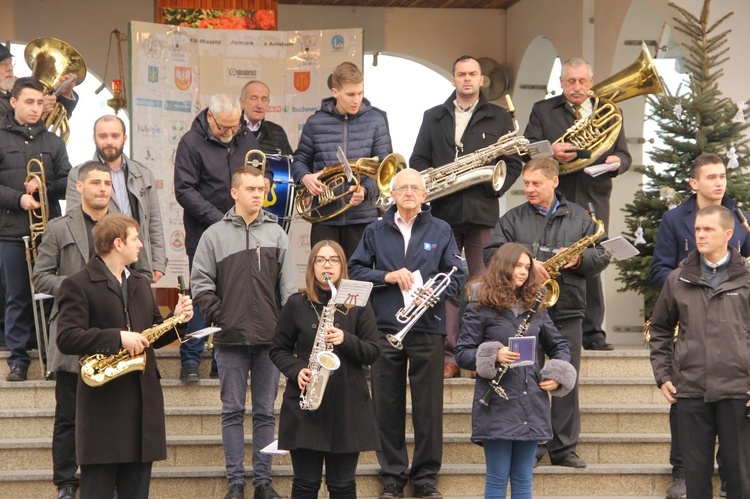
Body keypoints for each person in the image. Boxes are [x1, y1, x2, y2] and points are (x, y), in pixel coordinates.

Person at [55, 213, 193, 499]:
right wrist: (117, 336)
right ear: (118, 244)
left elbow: (152, 334)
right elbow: (67, 338)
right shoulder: (78, 283)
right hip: (104, 409)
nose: (141, 245)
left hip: (142, 408)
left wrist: (177, 320)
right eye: (135, 239)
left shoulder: (140, 282)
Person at [483, 156, 610, 469]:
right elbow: (490, 253)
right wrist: (523, 263)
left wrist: (580, 261)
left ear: (554, 181)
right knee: (527, 378)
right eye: (526, 183)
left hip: (567, 308)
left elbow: (603, 254)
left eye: (535, 183)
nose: (528, 188)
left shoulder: (581, 217)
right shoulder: (512, 218)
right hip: (524, 310)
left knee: (565, 377)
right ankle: (533, 444)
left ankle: (564, 448)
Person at [349, 168, 464, 499]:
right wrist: (386, 276)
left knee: (428, 405)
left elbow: (457, 274)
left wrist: (434, 292)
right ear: (393, 194)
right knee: (386, 404)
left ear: (425, 195)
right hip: (386, 327)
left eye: (416, 188)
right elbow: (355, 270)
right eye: (403, 188)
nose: (409, 192)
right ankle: (393, 475)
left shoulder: (441, 229)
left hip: (427, 326)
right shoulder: (375, 229)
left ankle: (426, 477)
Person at [410, 54, 523, 379]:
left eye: (473, 74)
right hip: (442, 212)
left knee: (483, 285)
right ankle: (449, 355)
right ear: (453, 79)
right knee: (444, 285)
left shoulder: (500, 117)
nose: (468, 79)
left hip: (481, 211)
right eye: (461, 74)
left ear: (481, 79)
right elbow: (419, 159)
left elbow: (513, 163)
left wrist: (493, 189)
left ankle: (478, 355)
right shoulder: (433, 116)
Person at [190, 165, 297, 499]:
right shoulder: (213, 235)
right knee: (232, 411)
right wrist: (224, 317)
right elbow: (201, 285)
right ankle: (236, 481)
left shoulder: (277, 233)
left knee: (265, 411)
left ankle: (263, 482)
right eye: (249, 189)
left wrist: (286, 329)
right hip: (230, 340)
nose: (257, 194)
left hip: (270, 342)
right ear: (234, 192)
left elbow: (288, 288)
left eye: (260, 189)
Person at [648, 153, 742, 499]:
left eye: (723, 176)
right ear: (695, 182)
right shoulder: (674, 221)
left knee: (740, 474)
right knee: (695, 473)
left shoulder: (738, 218)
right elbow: (659, 326)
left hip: (735, 379)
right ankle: (682, 472)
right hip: (691, 367)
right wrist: (686, 283)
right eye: (712, 177)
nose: (719, 183)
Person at [524, 57, 632, 351]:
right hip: (554, 196)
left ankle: (593, 331)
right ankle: (543, 322)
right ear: (561, 82)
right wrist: (550, 151)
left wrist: (617, 162)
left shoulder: (608, 111)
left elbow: (625, 155)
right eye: (571, 81)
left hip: (593, 196)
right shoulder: (543, 110)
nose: (577, 87)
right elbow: (527, 148)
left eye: (583, 81)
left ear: (591, 81)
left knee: (592, 259)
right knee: (552, 256)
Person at [33, 161, 126, 499]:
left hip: (113, 331)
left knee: (111, 414)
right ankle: (66, 482)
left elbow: (138, 272)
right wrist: (78, 287)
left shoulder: (122, 227)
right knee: (69, 415)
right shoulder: (59, 228)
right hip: (73, 332)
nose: (102, 189)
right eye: (96, 183)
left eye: (107, 183)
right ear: (79, 187)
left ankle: (106, 480)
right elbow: (40, 276)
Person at [455, 243, 576, 498]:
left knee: (523, 479)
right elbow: (463, 353)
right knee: (497, 478)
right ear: (503, 267)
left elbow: (561, 346)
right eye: (517, 266)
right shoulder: (480, 305)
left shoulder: (536, 305)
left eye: (527, 267)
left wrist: (556, 373)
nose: (523, 272)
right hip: (497, 401)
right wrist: (493, 354)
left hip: (531, 399)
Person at [269, 240, 381, 498]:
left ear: (342, 266)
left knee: (342, 485)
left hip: (347, 405)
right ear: (312, 266)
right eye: (320, 260)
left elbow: (374, 352)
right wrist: (296, 369)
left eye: (333, 260)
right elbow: (277, 349)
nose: (326, 265)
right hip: (307, 403)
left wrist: (346, 339)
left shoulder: (358, 304)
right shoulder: (296, 304)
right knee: (305, 484)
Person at [174, 93, 261, 381]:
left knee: (234, 294)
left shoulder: (245, 136)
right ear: (210, 117)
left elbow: (259, 175)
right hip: (205, 232)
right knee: (201, 295)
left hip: (242, 232)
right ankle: (191, 358)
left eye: (235, 126)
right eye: (224, 127)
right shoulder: (190, 142)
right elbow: (184, 190)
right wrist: (219, 219)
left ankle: (220, 359)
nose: (230, 133)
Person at [1, 76, 71, 382]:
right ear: (14, 102)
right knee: (16, 296)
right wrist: (19, 198)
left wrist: (44, 186)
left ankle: (51, 356)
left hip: (47, 233)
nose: (35, 108)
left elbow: (68, 182)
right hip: (10, 230)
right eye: (29, 102)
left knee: (49, 296)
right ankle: (18, 360)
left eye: (40, 102)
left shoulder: (54, 142)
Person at [291, 61, 393, 258]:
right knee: (324, 279)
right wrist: (305, 177)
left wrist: (365, 190)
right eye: (350, 94)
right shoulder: (315, 122)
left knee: (358, 279)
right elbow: (299, 160)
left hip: (363, 218)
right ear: (335, 92)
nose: (357, 100)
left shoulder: (376, 120)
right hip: (325, 217)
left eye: (360, 93)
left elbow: (384, 169)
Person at [65, 114, 167, 282]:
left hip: (137, 259)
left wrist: (157, 262)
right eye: (103, 136)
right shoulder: (78, 174)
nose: (109, 141)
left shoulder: (143, 174)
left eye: (115, 136)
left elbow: (154, 220)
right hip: (99, 260)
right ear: (94, 138)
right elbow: (74, 221)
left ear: (125, 138)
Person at [0, 44, 78, 119]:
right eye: (3, 64)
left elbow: (60, 116)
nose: (10, 68)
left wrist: (65, 93)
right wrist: (35, 107)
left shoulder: (19, 88)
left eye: (10, 62)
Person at [241, 80, 293, 156]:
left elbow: (289, 164)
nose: (259, 105)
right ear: (242, 102)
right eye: (254, 98)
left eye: (264, 99)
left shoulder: (277, 132)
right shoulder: (230, 129)